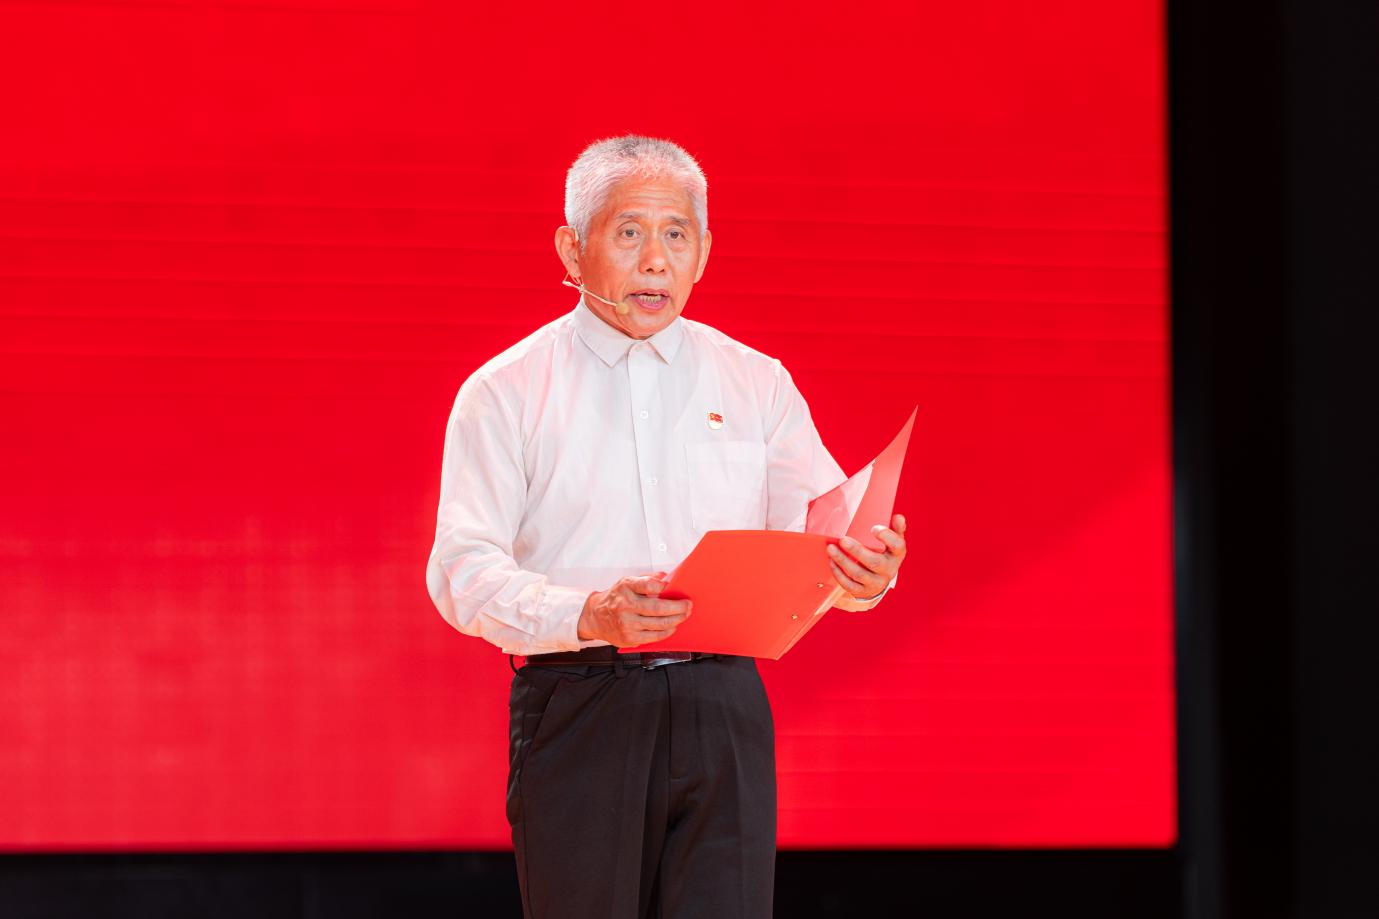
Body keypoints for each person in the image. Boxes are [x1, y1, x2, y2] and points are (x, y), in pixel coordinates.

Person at [425, 135, 907, 919]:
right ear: (571, 249)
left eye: (676, 234)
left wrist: (863, 575)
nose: (655, 260)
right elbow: (463, 572)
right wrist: (589, 614)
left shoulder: (755, 381)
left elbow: (819, 542)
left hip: (722, 704)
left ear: (703, 253)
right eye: (629, 232)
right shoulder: (506, 390)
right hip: (581, 702)